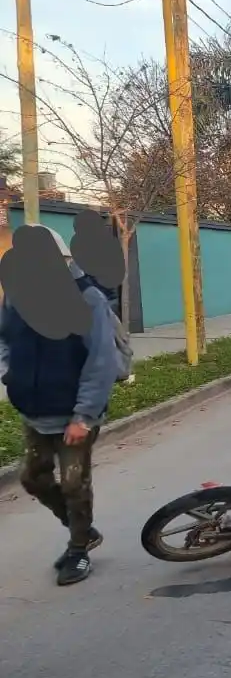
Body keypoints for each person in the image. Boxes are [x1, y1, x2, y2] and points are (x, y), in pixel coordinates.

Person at [0, 228, 118, 585]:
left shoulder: (88, 299)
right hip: (34, 410)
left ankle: (78, 550)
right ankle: (84, 529)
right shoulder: (16, 297)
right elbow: (4, 338)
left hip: (74, 414)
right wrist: (10, 372)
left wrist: (84, 416)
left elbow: (101, 361)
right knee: (33, 478)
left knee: (73, 484)